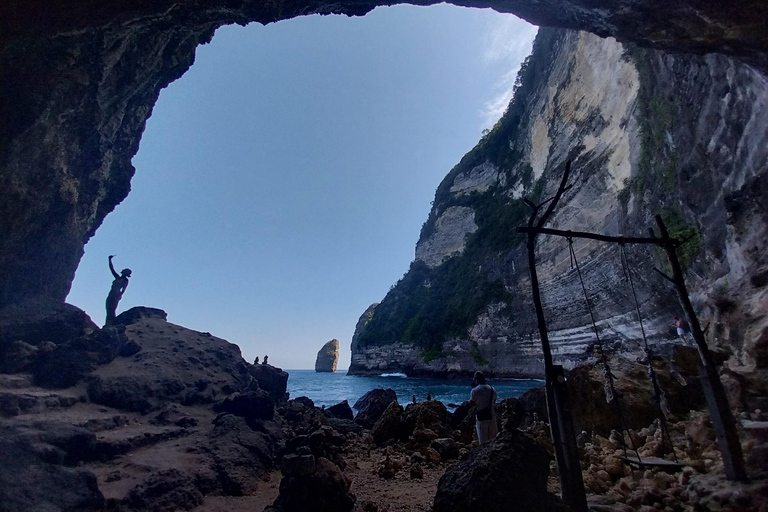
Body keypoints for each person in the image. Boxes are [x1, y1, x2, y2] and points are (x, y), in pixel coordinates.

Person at [470, 371, 498, 444]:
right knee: (493, 440)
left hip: (481, 418)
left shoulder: (474, 391)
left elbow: (472, 404)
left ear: (476, 379)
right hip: (492, 416)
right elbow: (494, 401)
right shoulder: (492, 389)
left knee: (483, 442)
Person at [105, 255, 131, 326]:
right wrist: (109, 260)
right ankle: (108, 324)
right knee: (108, 309)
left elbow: (124, 290)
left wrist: (119, 295)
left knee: (112, 310)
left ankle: (110, 324)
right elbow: (111, 268)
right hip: (111, 294)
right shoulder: (117, 277)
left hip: (115, 296)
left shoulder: (125, 280)